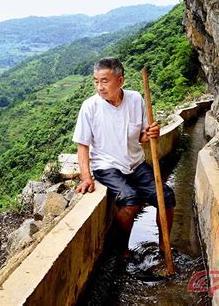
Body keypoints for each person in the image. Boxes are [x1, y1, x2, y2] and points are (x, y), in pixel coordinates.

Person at [72, 57, 176, 260]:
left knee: (167, 196)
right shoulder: (89, 107)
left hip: (135, 163)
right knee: (130, 200)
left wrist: (152, 133)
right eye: (96, 81)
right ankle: (121, 248)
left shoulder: (136, 99)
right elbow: (82, 146)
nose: (99, 87)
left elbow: (142, 137)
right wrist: (86, 177)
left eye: (104, 81)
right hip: (106, 165)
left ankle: (164, 243)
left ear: (120, 81)